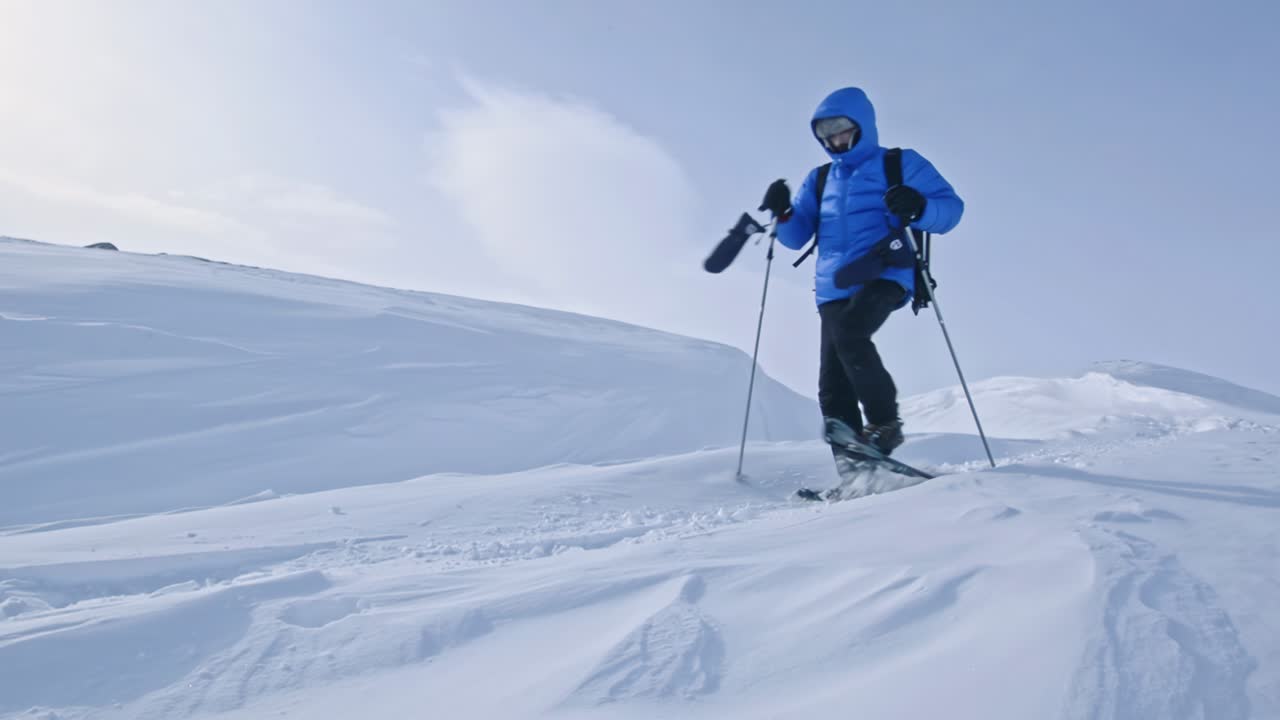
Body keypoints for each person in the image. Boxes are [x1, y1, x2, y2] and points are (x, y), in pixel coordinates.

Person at [758, 86, 963, 456]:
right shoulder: (820, 180)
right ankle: (856, 472)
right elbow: (796, 236)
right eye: (825, 134)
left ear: (862, 125)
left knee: (852, 334)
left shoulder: (900, 164)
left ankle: (885, 424)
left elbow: (951, 210)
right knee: (832, 384)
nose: (834, 139)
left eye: (840, 129)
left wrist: (918, 206)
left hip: (887, 272)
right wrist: (783, 212)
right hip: (833, 286)